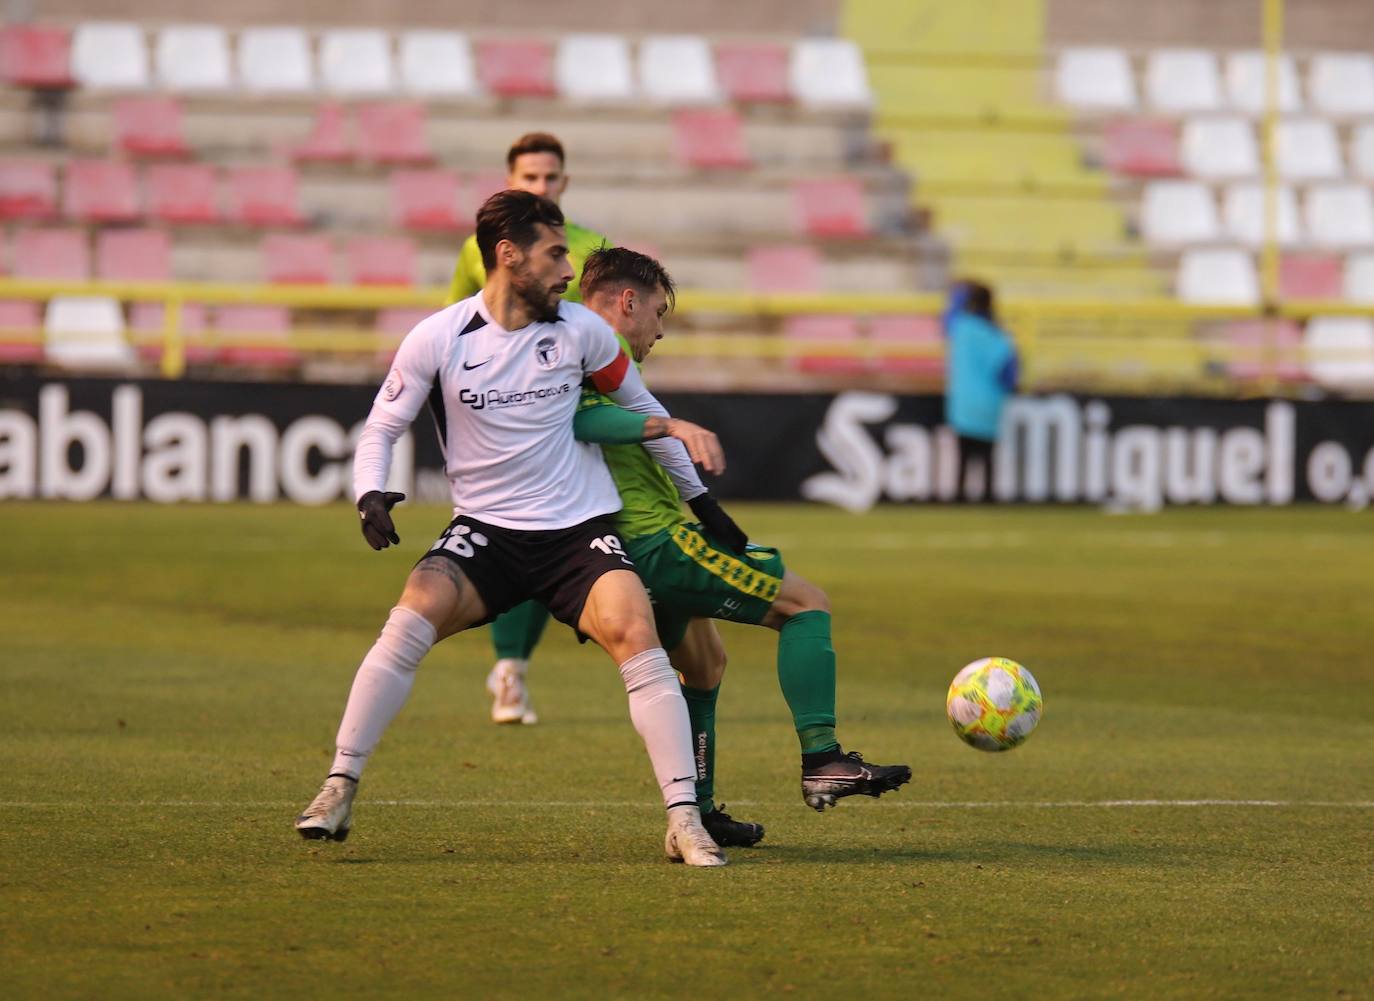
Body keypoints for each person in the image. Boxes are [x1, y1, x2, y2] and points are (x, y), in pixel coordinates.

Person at [294, 191, 730, 866]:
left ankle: (682, 820)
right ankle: (338, 785)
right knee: (409, 618)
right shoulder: (438, 338)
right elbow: (383, 424)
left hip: (574, 532)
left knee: (637, 635)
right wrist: (367, 492)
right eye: (555, 254)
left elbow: (646, 412)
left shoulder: (582, 334)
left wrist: (706, 506)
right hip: (486, 534)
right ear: (508, 256)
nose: (566, 269)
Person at [568, 247, 912, 842]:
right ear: (627, 302)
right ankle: (823, 759)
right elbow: (583, 421)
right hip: (653, 540)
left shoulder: (591, 354)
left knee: (705, 665)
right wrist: (670, 436)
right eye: (657, 311)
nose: (660, 328)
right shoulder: (588, 354)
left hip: (631, 543)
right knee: (806, 605)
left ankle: (696, 811)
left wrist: (704, 504)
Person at [446, 131, 610, 727]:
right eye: (529, 179)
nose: (541, 187)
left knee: (562, 535)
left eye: (550, 178)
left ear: (564, 183)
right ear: (510, 181)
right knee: (531, 532)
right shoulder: (477, 248)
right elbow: (458, 317)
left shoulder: (592, 247)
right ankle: (511, 668)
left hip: (578, 408)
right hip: (511, 415)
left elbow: (618, 330)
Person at [943, 280, 1019, 502]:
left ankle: (959, 497)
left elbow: (946, 318)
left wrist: (958, 295)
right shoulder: (999, 335)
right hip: (990, 404)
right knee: (986, 456)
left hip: (963, 403)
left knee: (963, 458)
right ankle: (988, 498)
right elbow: (1010, 373)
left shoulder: (962, 327)